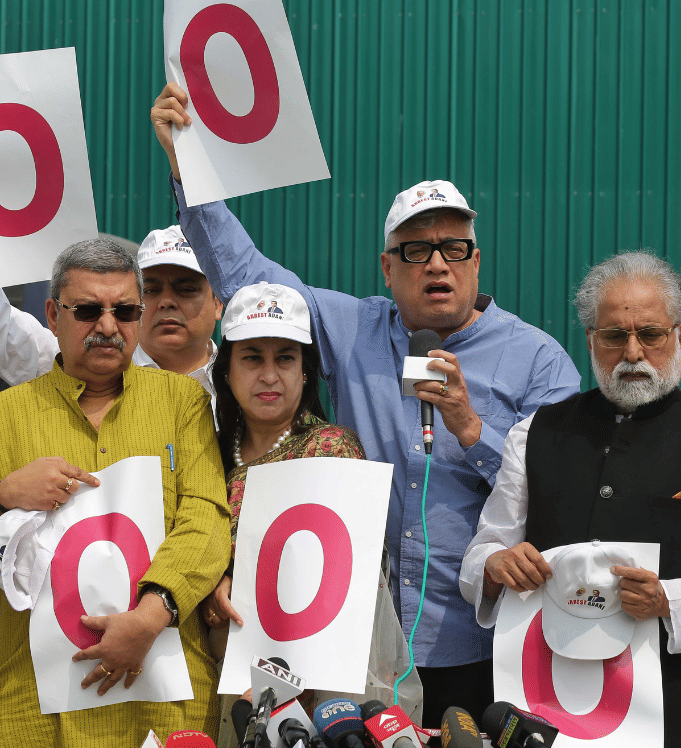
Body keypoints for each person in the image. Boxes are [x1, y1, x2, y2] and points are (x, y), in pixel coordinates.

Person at [151, 84, 581, 726]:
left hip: (485, 644)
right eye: (415, 250)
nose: (437, 263)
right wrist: (189, 164)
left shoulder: (539, 361)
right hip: (357, 643)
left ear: (476, 261)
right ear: (387, 268)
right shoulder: (353, 328)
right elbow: (245, 276)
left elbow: (562, 496)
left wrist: (470, 427)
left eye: (453, 248)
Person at [459, 250, 681, 747]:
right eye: (615, 336)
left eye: (650, 335)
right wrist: (495, 567)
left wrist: (670, 599)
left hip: (670, 716)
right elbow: (482, 553)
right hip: (544, 711)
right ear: (592, 341)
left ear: (678, 336)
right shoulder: (536, 434)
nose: (633, 353)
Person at [0, 238, 230, 745]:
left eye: (126, 311)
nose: (108, 327)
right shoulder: (5, 417)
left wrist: (149, 616)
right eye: (88, 310)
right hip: (31, 711)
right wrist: (1, 496)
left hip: (161, 698)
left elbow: (206, 521)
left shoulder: (182, 402)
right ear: (53, 314)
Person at [195, 281, 371, 746]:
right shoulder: (206, 457)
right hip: (219, 678)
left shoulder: (330, 450)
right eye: (252, 357)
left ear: (306, 372)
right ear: (227, 371)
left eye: (285, 359)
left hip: (313, 691)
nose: (270, 375)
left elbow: (330, 587)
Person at [0, 146, 224, 392]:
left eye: (186, 288)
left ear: (218, 302)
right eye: (152, 289)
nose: (167, 302)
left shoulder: (248, 380)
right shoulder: (81, 366)